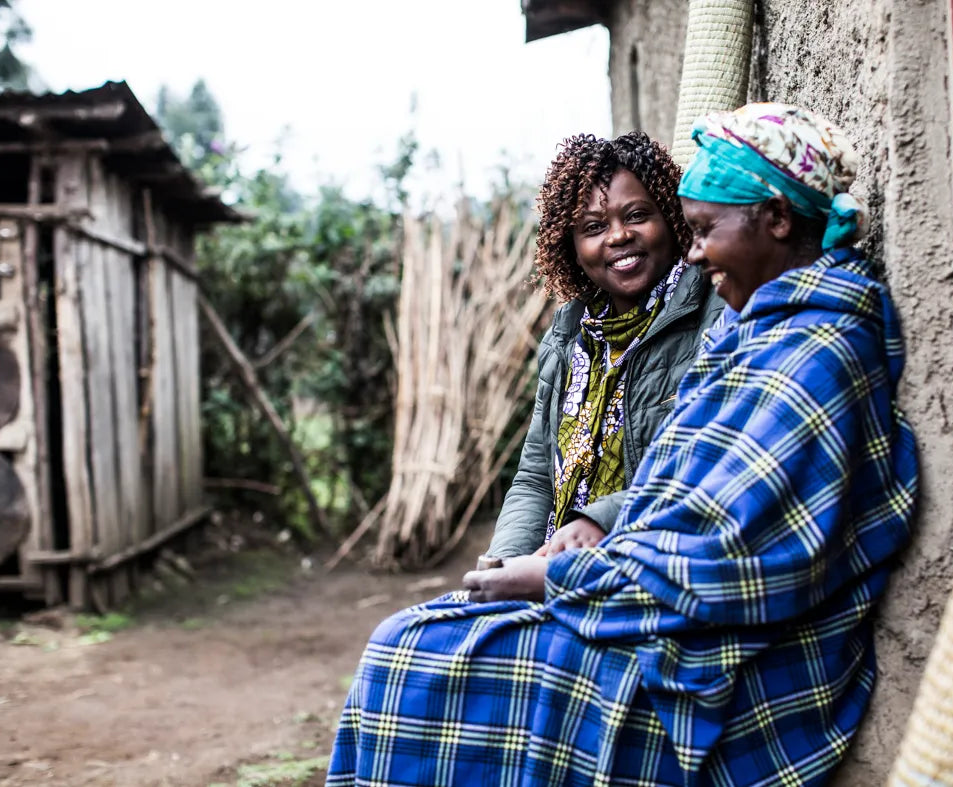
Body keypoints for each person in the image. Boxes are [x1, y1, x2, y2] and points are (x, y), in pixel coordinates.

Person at [326, 103, 919, 787]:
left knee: (410, 656)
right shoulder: (684, 330)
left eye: (676, 225)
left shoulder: (774, 338)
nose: (625, 239)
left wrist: (567, 565)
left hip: (699, 627)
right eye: (592, 227)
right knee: (424, 638)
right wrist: (515, 561)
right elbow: (543, 474)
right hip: (623, 573)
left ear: (776, 220)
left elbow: (726, 551)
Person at [486, 131, 722, 561]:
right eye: (593, 228)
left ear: (671, 217)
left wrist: (601, 521)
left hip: (650, 557)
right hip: (561, 562)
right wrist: (504, 564)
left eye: (636, 215)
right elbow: (536, 479)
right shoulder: (570, 340)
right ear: (571, 248)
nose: (617, 236)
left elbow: (709, 457)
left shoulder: (711, 311)